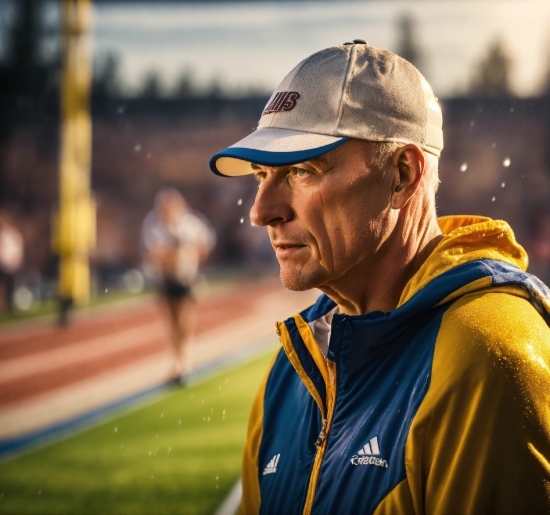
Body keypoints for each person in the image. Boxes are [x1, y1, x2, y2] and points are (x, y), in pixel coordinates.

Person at [209, 41, 550, 514]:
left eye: (303, 171)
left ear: (402, 174)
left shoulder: (486, 351)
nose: (261, 211)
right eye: (261, 176)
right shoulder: (289, 372)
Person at [141, 188, 215, 383]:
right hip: (165, 280)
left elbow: (205, 244)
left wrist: (190, 255)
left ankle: (184, 362)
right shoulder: (154, 225)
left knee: (185, 324)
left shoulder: (190, 224)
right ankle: (177, 361)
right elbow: (155, 254)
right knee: (172, 326)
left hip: (185, 278)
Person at [0, 211, 24, 312]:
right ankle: (3, 304)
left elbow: (17, 248)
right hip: (3, 264)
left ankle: (10, 306)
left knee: (11, 286)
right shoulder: (2, 234)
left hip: (11, 264)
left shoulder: (12, 233)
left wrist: (15, 260)